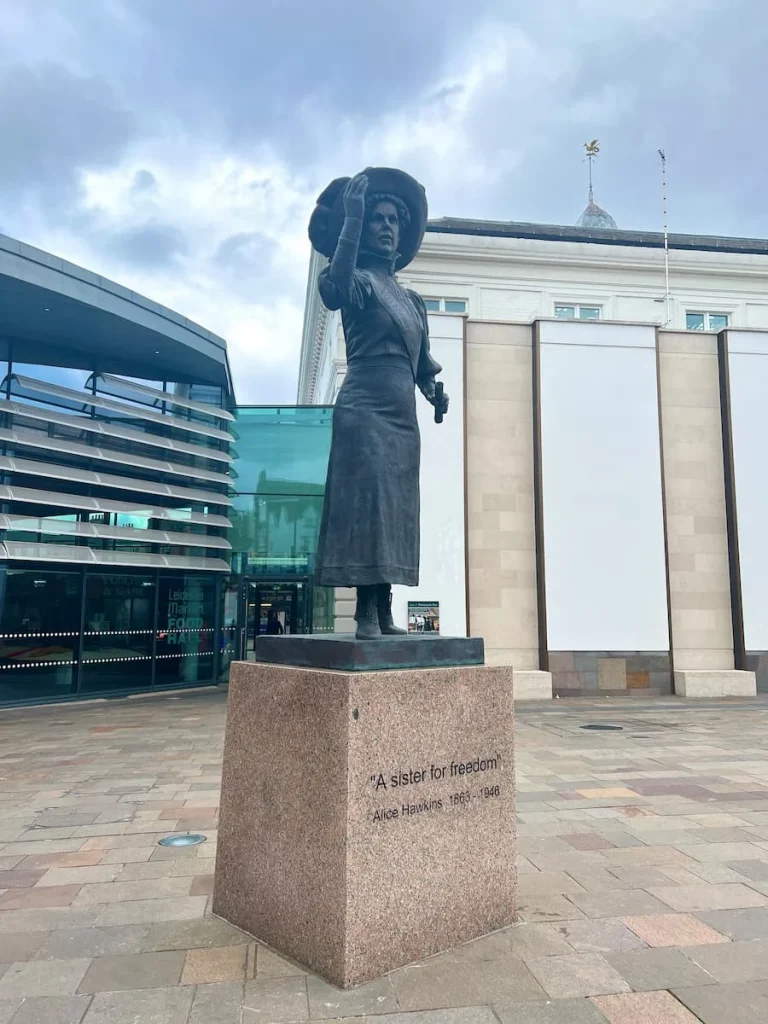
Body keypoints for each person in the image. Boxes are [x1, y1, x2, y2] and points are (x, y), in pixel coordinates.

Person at [308, 167, 449, 639]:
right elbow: (333, 288)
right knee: (366, 507)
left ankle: (384, 610)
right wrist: (350, 219)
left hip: (402, 418)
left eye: (394, 220)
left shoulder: (411, 300)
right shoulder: (359, 280)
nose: (388, 227)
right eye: (378, 219)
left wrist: (434, 392)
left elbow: (423, 363)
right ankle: (362, 615)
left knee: (394, 511)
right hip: (364, 408)